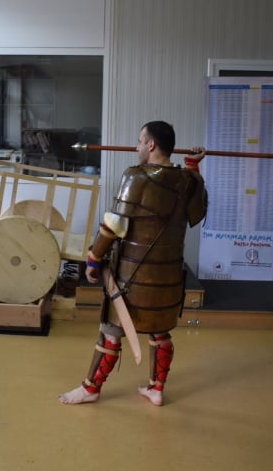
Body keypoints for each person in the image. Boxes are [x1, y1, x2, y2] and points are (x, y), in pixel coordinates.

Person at [58, 120, 207, 406]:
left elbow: (112, 225)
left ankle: (91, 388)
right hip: (168, 276)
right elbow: (196, 212)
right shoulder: (188, 180)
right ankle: (156, 389)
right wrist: (193, 165)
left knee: (111, 331)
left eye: (140, 141)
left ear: (151, 145)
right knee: (159, 331)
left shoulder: (136, 177)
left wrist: (93, 258)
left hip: (131, 275)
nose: (137, 146)